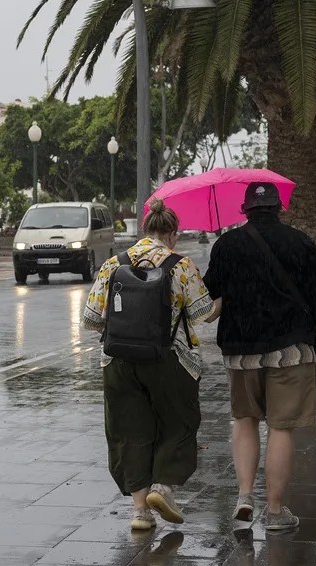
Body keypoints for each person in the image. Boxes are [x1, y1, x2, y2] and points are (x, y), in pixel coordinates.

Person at [203, 182, 316, 531]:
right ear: (279, 208)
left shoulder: (227, 245)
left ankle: (245, 496)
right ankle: (275, 512)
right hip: (290, 349)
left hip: (241, 350)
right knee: (281, 428)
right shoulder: (300, 243)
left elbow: (208, 293)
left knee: (244, 421)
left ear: (245, 210)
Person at [83, 199, 216, 531]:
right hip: (169, 360)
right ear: (172, 233)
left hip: (119, 362)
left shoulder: (113, 264)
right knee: (178, 422)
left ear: (145, 229)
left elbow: (91, 319)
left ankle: (140, 512)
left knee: (129, 430)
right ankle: (163, 487)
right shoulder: (182, 265)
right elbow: (201, 315)